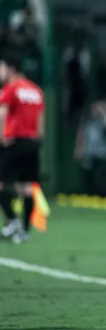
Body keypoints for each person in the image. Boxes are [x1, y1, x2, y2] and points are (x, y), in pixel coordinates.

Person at [0, 50, 44, 244]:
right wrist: (37, 138)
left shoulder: (11, 89)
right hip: (32, 142)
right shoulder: (36, 90)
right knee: (27, 188)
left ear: (11, 69)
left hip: (13, 141)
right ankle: (24, 230)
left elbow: (2, 113)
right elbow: (41, 121)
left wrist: (2, 138)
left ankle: (11, 220)